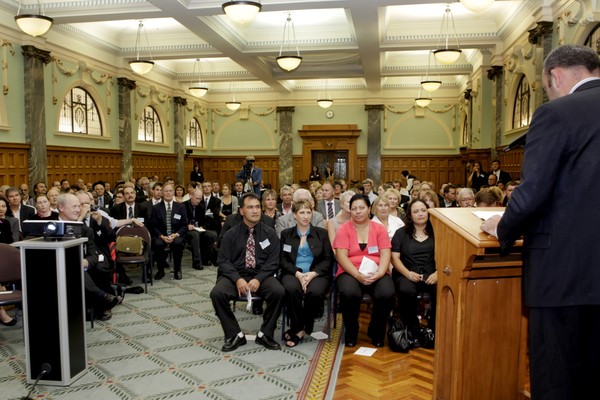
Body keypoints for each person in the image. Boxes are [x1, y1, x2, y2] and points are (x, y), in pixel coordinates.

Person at [480, 45, 600, 400]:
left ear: (555, 76)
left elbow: (533, 193)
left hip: (564, 273)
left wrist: (500, 227)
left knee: (557, 376)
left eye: (547, 87)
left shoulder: (556, 113)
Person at [210, 193, 284, 352]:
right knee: (217, 293)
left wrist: (259, 278)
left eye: (258, 207)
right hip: (235, 275)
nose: (255, 211)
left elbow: (274, 261)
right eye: (250, 207)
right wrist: (237, 279)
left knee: (279, 291)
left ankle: (266, 333)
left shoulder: (269, 233)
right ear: (241, 211)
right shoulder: (231, 234)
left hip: (262, 275)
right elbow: (223, 261)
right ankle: (235, 334)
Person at [332, 194, 395, 348]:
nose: (358, 211)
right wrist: (357, 275)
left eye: (361, 208)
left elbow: (386, 253)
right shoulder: (343, 229)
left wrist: (380, 273)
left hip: (377, 271)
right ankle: (352, 332)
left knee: (387, 293)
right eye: (354, 209)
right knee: (349, 293)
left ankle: (376, 331)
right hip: (350, 271)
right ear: (350, 211)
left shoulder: (379, 229)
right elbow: (341, 256)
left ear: (369, 209)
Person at [279, 199, 333, 347]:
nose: (306, 216)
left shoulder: (322, 233)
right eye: (301, 212)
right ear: (294, 215)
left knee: (315, 292)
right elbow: (283, 260)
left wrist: (312, 274)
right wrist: (298, 274)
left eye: (309, 212)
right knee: (291, 289)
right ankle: (299, 329)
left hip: (317, 273)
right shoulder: (286, 234)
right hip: (293, 273)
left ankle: (299, 327)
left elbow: (328, 259)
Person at [391, 199, 437, 348]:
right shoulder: (401, 233)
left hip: (433, 274)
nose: (420, 214)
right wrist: (407, 273)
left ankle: (433, 329)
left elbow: (448, 255)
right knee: (406, 290)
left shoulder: (438, 231)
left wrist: (438, 273)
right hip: (407, 273)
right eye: (416, 211)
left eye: (423, 210)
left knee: (443, 290)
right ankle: (413, 329)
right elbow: (395, 258)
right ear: (410, 215)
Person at [150, 183, 188, 280]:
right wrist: (162, 236)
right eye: (166, 191)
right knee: (157, 244)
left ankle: (177, 269)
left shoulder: (181, 207)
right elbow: (153, 226)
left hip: (175, 235)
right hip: (161, 236)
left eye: (170, 191)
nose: (168, 193)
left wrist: (176, 235)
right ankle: (160, 270)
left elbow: (184, 225)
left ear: (173, 193)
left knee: (179, 243)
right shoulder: (156, 208)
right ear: (162, 193)